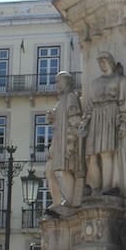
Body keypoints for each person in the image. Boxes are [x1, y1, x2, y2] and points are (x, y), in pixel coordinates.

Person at [79, 52, 126, 196]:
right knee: (92, 154)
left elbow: (125, 102)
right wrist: (84, 122)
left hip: (111, 115)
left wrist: (123, 122)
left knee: (107, 152)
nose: (102, 64)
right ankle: (96, 187)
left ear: (111, 62)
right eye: (100, 61)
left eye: (104, 61)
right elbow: (89, 105)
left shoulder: (120, 80)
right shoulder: (95, 82)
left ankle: (108, 187)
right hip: (96, 117)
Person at [46, 71, 84, 208]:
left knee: (62, 170)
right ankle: (57, 203)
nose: (56, 85)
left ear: (66, 82)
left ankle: (71, 201)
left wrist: (71, 144)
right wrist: (52, 117)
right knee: (50, 171)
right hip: (57, 142)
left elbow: (75, 121)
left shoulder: (71, 97)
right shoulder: (61, 100)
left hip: (65, 143)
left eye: (58, 82)